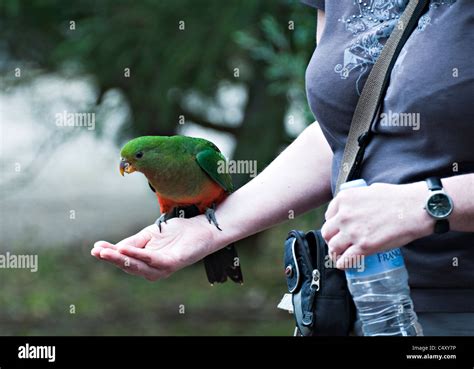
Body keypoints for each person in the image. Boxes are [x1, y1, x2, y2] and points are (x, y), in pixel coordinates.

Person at [92, 0, 474, 335]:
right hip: (346, 296)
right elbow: (341, 132)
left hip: (456, 306)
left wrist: (433, 203)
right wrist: (214, 230)